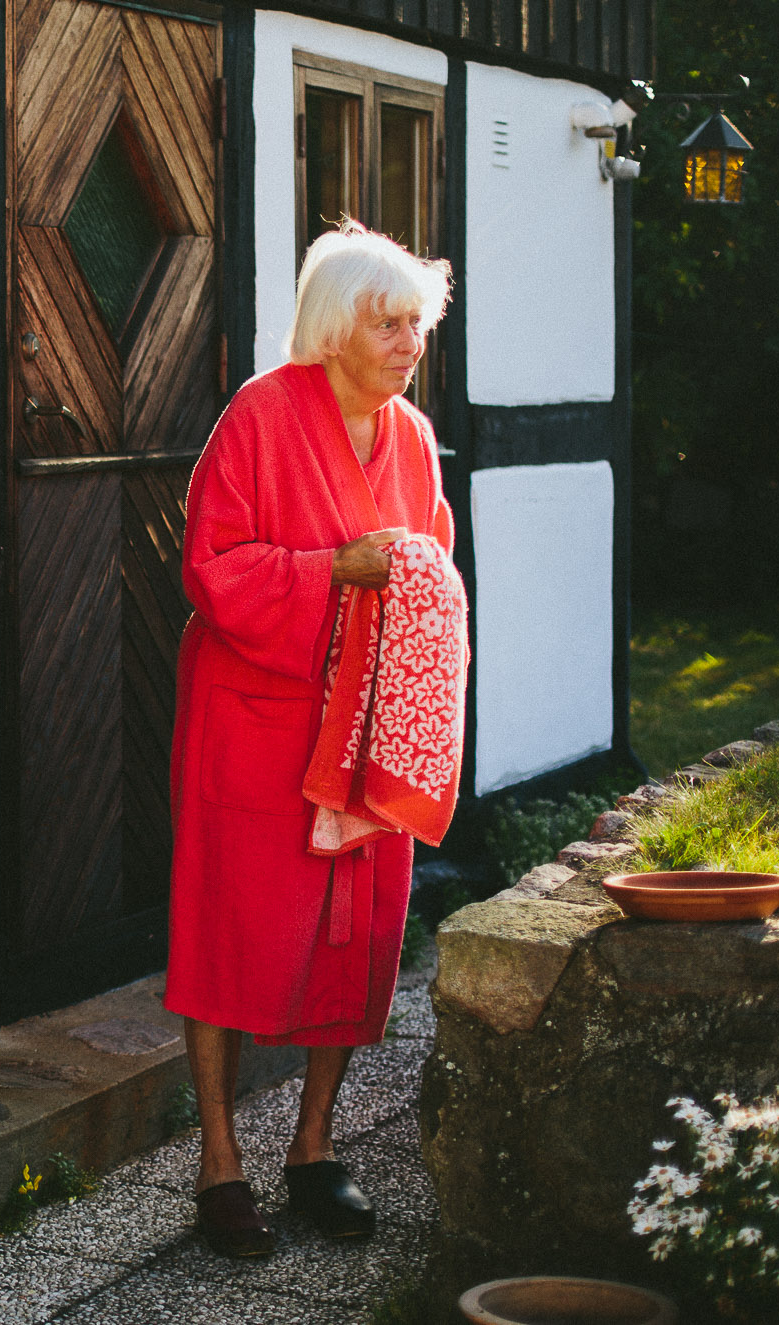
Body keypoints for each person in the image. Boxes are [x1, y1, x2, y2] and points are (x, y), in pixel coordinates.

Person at [163, 220, 459, 1257]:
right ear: (334, 327)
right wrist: (335, 569)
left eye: (417, 324)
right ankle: (218, 1165)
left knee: (357, 933)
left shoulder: (414, 438)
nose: (408, 342)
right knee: (230, 927)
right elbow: (212, 566)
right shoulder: (258, 417)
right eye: (389, 323)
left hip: (366, 727)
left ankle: (313, 1149)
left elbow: (428, 568)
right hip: (257, 718)